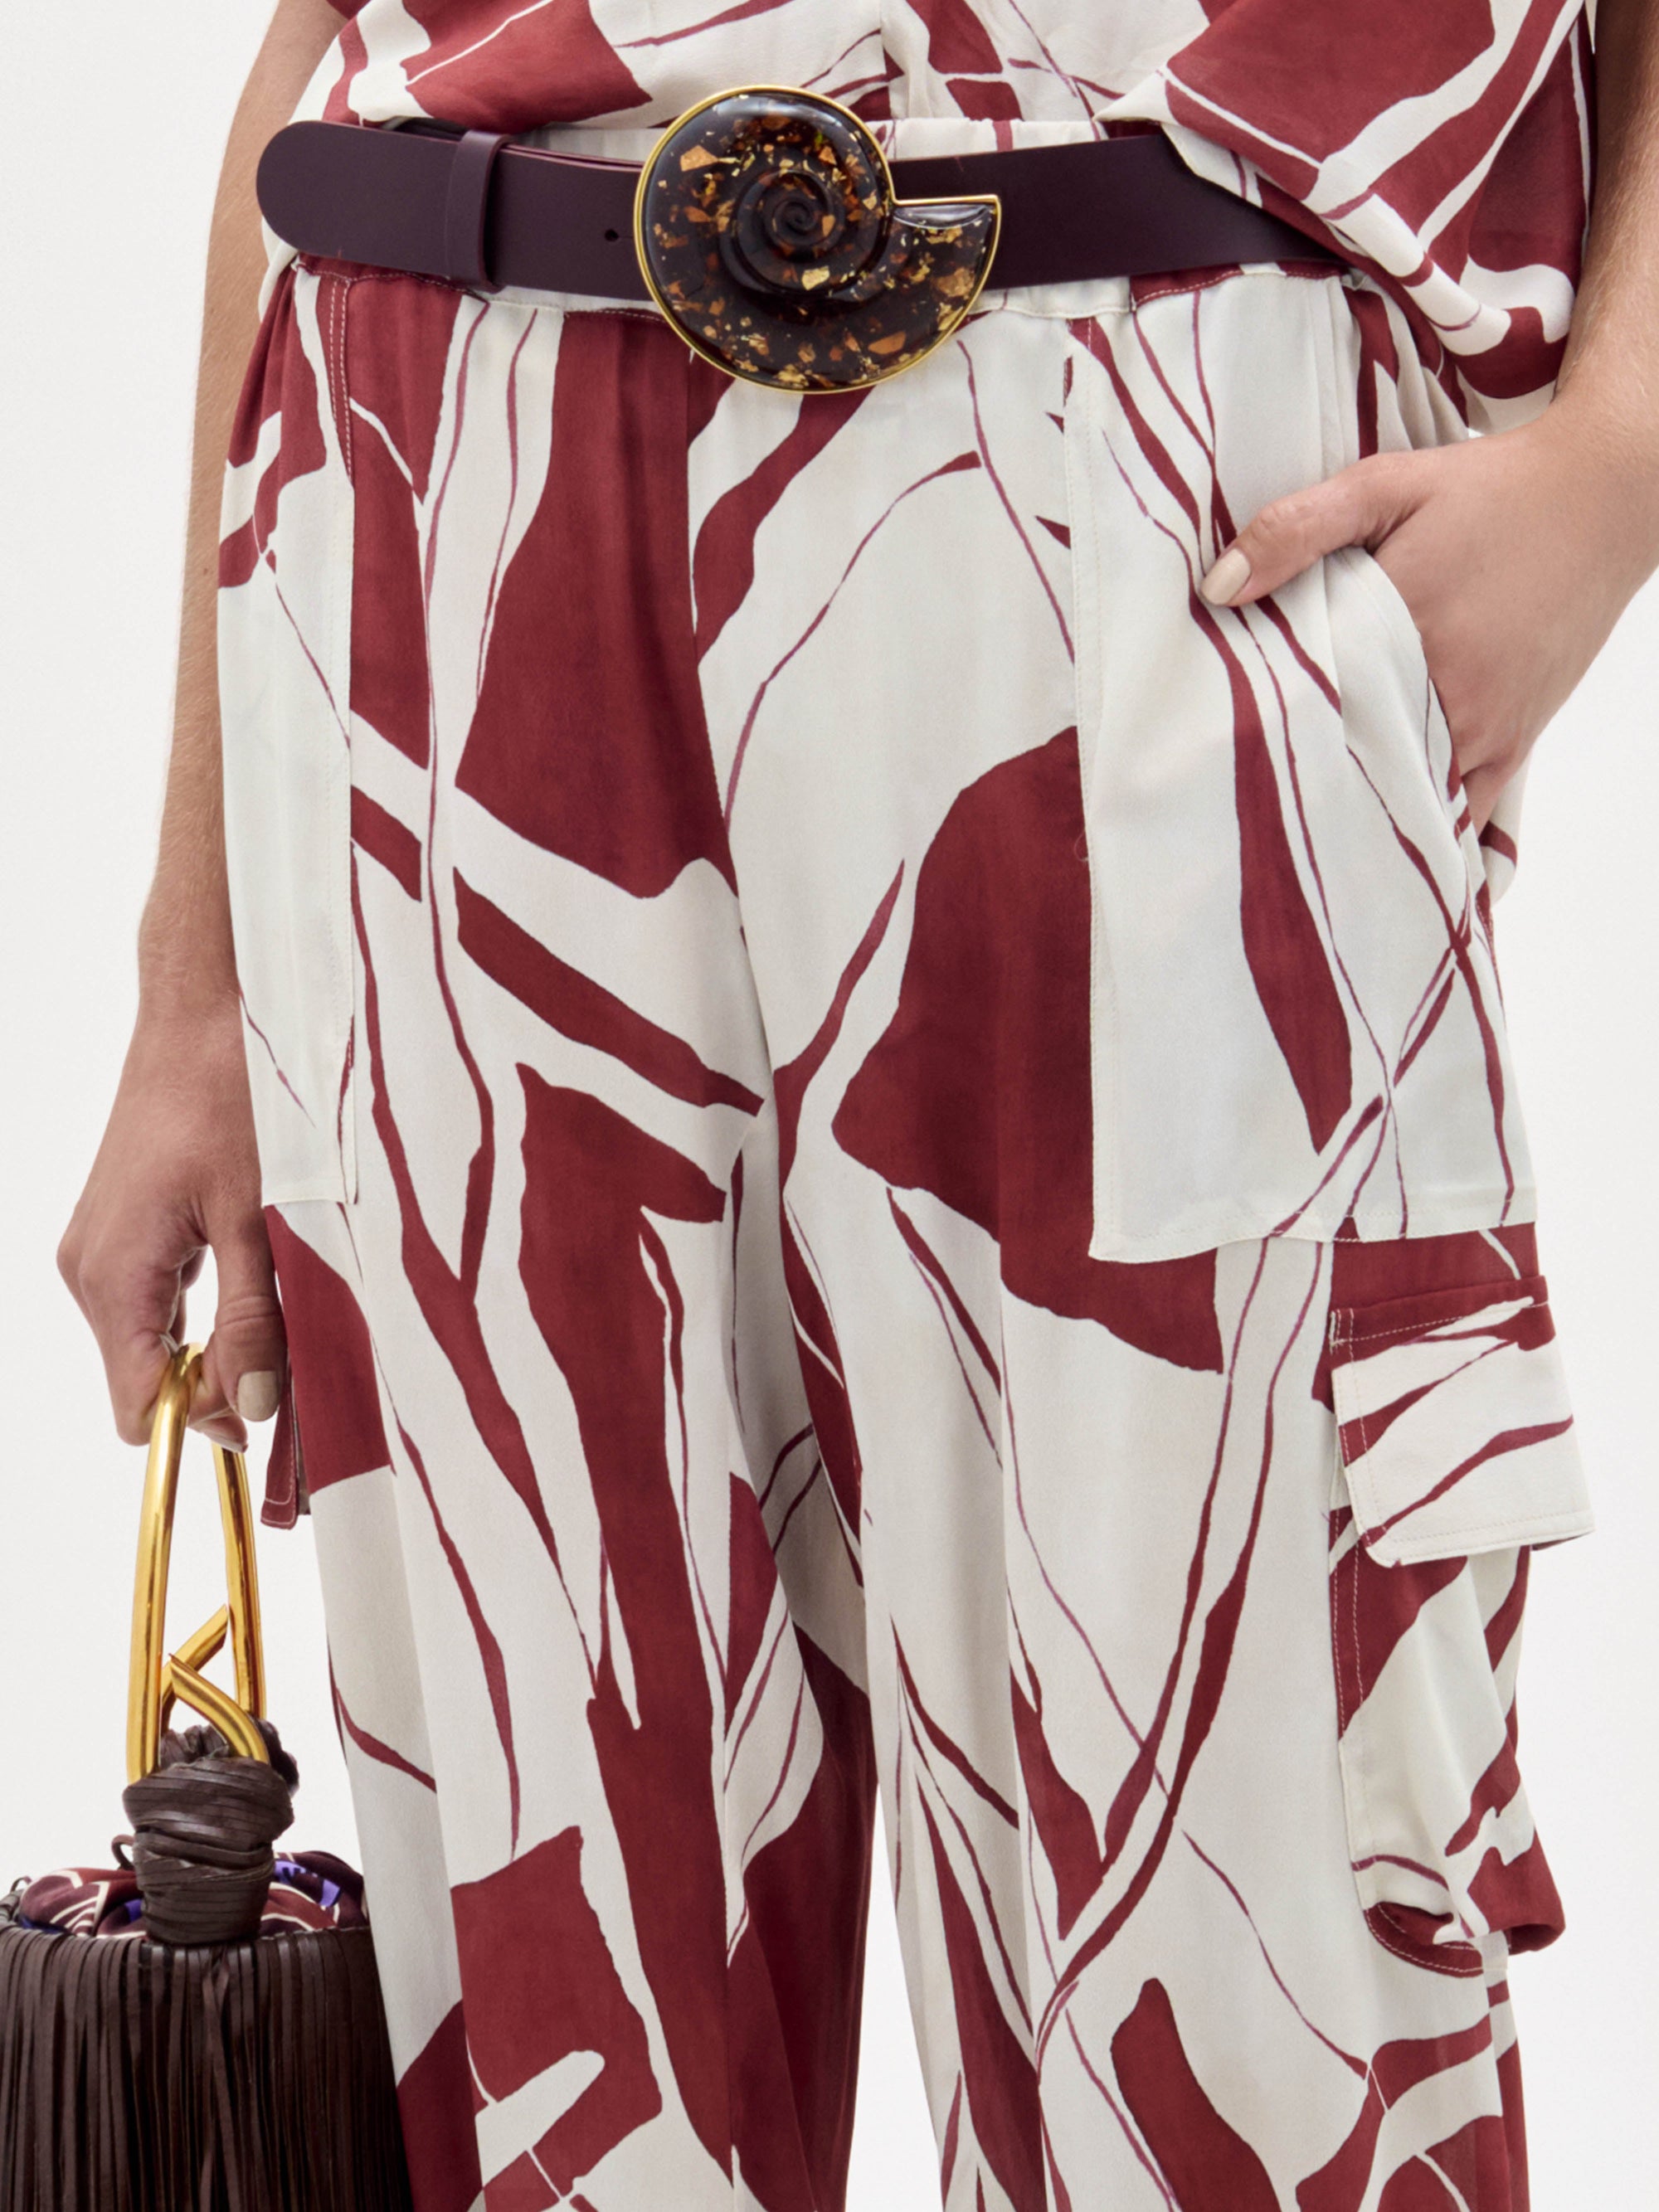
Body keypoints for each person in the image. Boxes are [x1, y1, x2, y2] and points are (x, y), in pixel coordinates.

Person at [55, 0, 1657, 2203]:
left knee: (1239, 1987)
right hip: (440, 488)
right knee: (566, 2051)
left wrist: (1628, 450)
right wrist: (192, 975)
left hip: (1153, 501)